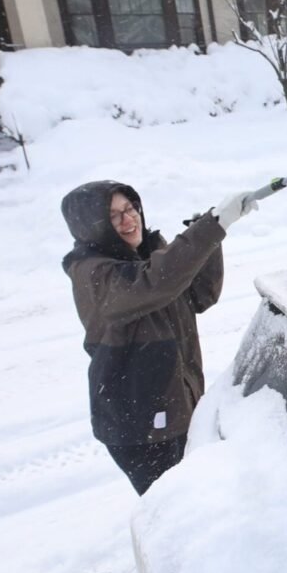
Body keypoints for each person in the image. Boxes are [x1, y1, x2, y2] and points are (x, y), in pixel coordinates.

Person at [60, 180, 254, 494]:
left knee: (200, 499)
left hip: (180, 405)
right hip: (140, 426)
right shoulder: (93, 274)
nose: (129, 219)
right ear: (91, 227)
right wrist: (210, 228)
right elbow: (156, 282)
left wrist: (209, 238)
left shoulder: (147, 254)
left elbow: (200, 295)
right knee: (178, 510)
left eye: (130, 208)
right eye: (114, 216)